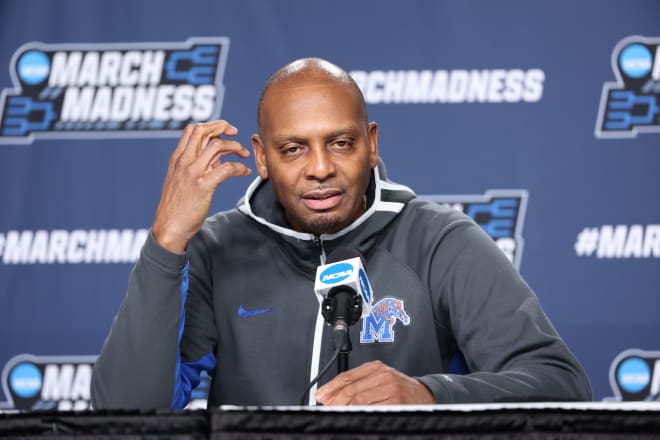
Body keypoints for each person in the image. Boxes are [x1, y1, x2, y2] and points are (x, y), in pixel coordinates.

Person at [91, 58, 592, 409]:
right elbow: (125, 416)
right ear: (261, 157)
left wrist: (431, 395)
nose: (320, 168)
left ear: (370, 145)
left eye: (340, 142)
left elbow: (561, 385)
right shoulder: (217, 251)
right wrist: (167, 243)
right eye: (293, 149)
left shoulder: (439, 241)